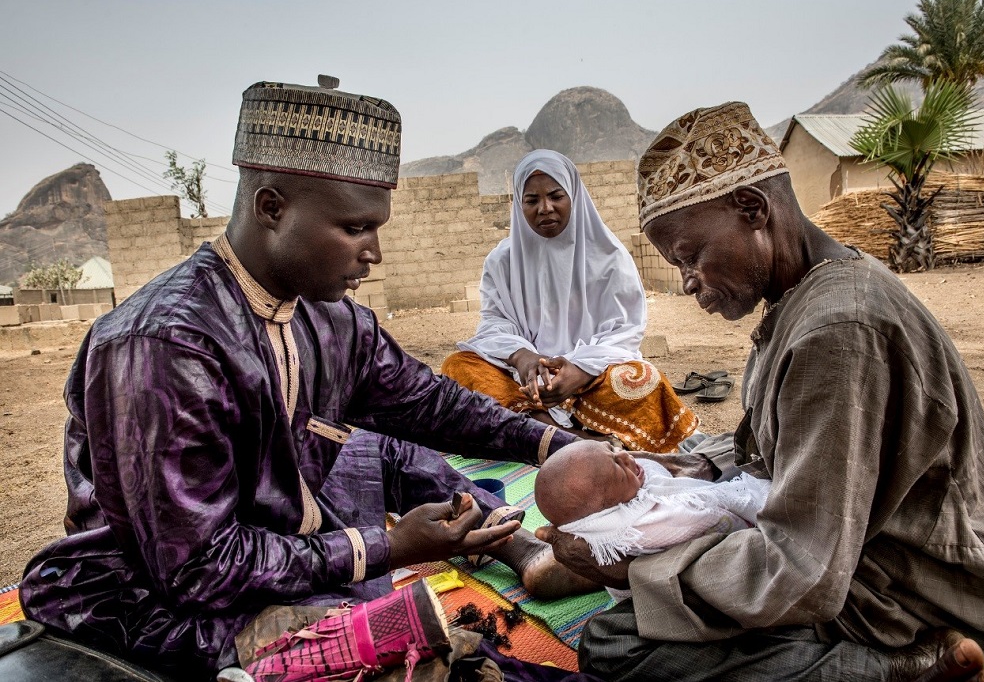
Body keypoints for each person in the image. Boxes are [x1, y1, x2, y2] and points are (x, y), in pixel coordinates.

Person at [18, 78, 596, 680]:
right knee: (404, 650)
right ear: (272, 208)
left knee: (380, 449)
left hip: (278, 521)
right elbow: (196, 567)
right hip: (162, 593)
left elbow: (430, 404)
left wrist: (564, 446)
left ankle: (515, 546)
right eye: (354, 229)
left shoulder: (332, 318)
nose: (374, 252)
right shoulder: (166, 346)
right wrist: (386, 548)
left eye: (376, 228)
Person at [536, 102, 984, 682]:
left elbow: (803, 569)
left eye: (690, 258)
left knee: (615, 644)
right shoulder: (805, 298)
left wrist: (635, 572)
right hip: (864, 545)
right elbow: (773, 449)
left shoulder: (838, 330)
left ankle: (901, 668)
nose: (689, 282)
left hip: (910, 584)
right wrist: (682, 466)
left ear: (752, 209)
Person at [441, 149, 697, 453]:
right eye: (532, 201)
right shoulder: (502, 261)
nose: (545, 209)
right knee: (458, 366)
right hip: (524, 382)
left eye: (555, 196)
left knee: (644, 380)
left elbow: (624, 331)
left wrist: (579, 369)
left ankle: (533, 433)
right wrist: (523, 357)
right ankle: (561, 434)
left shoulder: (609, 257)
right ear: (519, 205)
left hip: (591, 378)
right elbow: (495, 323)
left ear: (573, 196)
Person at [535, 439, 769, 602]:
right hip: (743, 553)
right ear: (602, 512)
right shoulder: (651, 524)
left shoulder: (622, 495)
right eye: (617, 465)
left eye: (613, 449)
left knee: (694, 446)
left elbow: (653, 472)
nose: (626, 456)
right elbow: (698, 511)